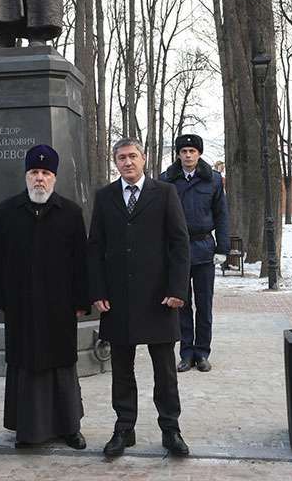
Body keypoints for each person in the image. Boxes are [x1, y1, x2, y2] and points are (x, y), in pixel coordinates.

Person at [88, 138, 191, 459]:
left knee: (165, 370)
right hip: (118, 299)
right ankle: (124, 428)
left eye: (133, 156)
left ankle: (171, 429)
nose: (127, 162)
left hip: (159, 297)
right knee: (122, 369)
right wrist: (98, 291)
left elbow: (179, 243)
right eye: (121, 157)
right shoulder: (105, 197)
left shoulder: (165, 193)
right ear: (115, 162)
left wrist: (177, 290)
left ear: (144, 158)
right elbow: (95, 247)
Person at [0, 145, 89, 449]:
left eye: (45, 173)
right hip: (21, 305)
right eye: (34, 172)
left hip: (60, 305)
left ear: (54, 177)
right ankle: (28, 429)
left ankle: (69, 427)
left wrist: (82, 301)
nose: (40, 178)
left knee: (61, 363)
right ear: (26, 176)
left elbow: (81, 262)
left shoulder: (71, 213)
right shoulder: (6, 211)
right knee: (25, 363)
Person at [159, 133, 229, 373]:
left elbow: (221, 215)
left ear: (199, 154)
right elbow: (158, 218)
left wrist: (222, 248)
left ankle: (202, 353)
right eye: (184, 151)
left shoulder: (213, 180)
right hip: (176, 251)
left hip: (204, 249)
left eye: (192, 151)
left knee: (204, 304)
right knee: (181, 304)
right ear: (178, 155)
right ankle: (186, 353)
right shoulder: (166, 180)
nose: (188, 155)